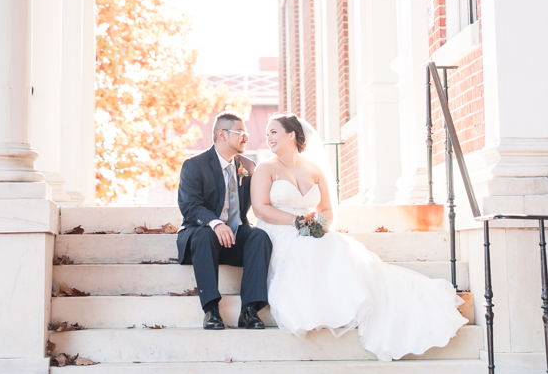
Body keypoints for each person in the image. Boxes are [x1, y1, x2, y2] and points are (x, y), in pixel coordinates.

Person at [250, 112, 467, 361]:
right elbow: (261, 209)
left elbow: (327, 210)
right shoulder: (266, 168)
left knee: (337, 244)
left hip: (309, 229)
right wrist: (296, 222)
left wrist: (320, 226)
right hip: (278, 229)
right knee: (304, 252)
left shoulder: (314, 169)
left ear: (291, 134)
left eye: (273, 132)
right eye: (267, 134)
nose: (268, 138)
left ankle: (355, 302)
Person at [177, 111, 272, 330]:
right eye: (241, 132)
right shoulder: (194, 165)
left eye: (246, 132)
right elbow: (190, 206)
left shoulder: (248, 167)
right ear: (222, 134)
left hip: (234, 237)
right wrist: (215, 223)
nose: (246, 137)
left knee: (259, 237)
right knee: (204, 234)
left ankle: (249, 310)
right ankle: (211, 309)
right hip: (201, 238)